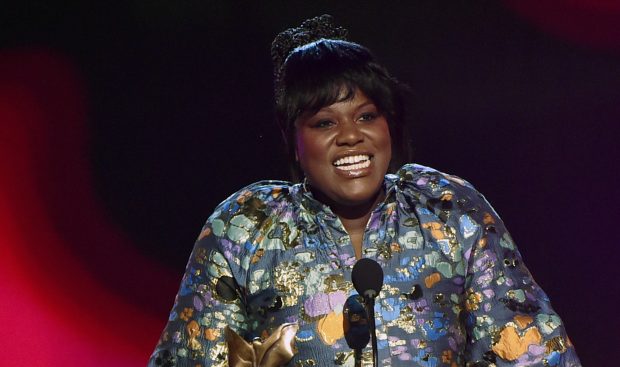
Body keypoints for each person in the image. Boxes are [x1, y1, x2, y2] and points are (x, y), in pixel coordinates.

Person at [148, 15, 581, 367]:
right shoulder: (244, 228)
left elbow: (534, 353)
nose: (351, 136)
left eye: (366, 116)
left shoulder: (449, 210)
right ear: (293, 140)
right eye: (324, 122)